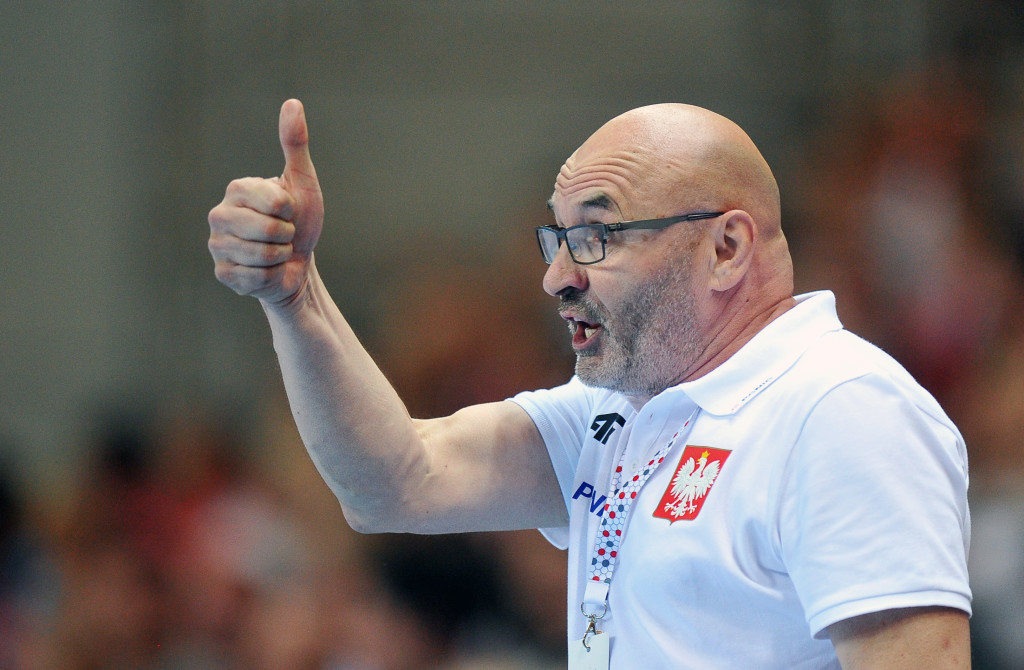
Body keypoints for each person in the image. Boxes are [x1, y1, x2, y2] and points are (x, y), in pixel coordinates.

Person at [208, 99, 972, 669]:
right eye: (557, 236)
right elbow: (395, 481)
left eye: (595, 238)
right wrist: (295, 298)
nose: (555, 278)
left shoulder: (841, 411)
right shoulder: (616, 414)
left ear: (728, 246)